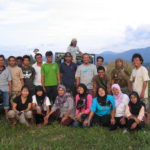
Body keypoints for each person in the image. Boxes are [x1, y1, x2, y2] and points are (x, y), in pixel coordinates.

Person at [130, 53, 150, 123]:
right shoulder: (133, 70)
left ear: (141, 61)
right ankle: (141, 121)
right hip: (135, 94)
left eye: (137, 60)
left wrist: (142, 92)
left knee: (145, 108)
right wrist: (132, 90)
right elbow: (132, 81)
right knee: (139, 108)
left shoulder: (143, 69)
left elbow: (145, 82)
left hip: (142, 94)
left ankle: (148, 122)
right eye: (134, 60)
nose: (135, 62)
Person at [0, 55, 12, 119]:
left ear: (4, 61)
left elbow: (9, 81)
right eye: (0, 60)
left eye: (2, 60)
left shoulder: (7, 70)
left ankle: (7, 116)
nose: (1, 61)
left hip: (5, 89)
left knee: (6, 102)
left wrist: (10, 90)